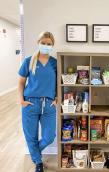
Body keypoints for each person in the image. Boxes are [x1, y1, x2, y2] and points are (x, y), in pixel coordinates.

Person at [18, 31, 57, 172]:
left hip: (48, 104)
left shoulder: (54, 63)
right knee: (31, 135)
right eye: (43, 43)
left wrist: (57, 97)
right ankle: (38, 163)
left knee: (49, 136)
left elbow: (60, 83)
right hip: (30, 103)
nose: (46, 46)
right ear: (38, 43)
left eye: (49, 44)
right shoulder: (29, 61)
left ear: (52, 45)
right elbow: (21, 82)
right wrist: (21, 100)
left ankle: (35, 153)